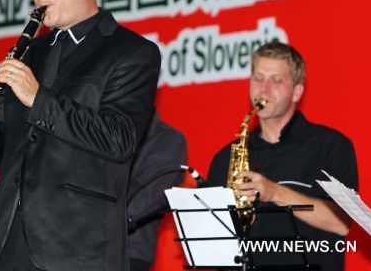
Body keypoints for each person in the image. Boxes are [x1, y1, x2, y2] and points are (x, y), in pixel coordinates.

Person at [0, 0, 161, 271]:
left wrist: (38, 97)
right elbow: (3, 157)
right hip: (5, 244)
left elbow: (118, 139)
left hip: (78, 248)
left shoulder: (131, 52)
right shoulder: (29, 52)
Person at [207, 42, 358, 270]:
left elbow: (343, 223)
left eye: (276, 80)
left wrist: (274, 192)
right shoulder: (224, 159)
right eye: (258, 78)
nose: (264, 89)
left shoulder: (331, 146)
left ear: (297, 91)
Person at [126, 110, 187, 271]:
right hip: (75, 247)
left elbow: (137, 206)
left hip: (130, 254)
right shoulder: (100, 133)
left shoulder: (169, 140)